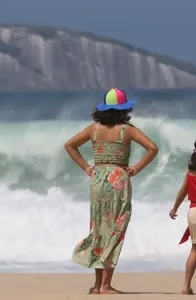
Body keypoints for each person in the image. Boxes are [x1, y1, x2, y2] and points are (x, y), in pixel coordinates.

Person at [64, 88, 158, 295]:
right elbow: (153, 147)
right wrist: (136, 168)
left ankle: (97, 285)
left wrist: (87, 167)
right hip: (118, 180)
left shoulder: (94, 129)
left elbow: (69, 145)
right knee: (116, 229)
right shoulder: (128, 130)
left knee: (99, 228)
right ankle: (105, 285)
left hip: (97, 179)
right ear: (124, 110)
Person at [169, 141, 196, 295]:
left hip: (193, 211)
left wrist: (174, 208)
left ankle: (186, 286)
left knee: (194, 250)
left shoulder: (190, 173)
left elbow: (182, 191)